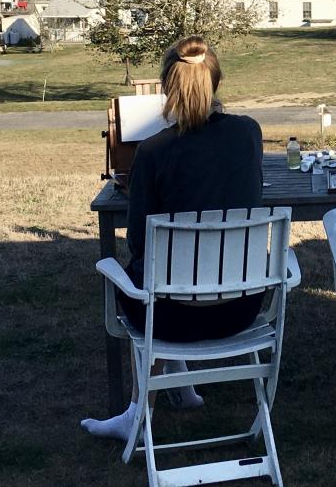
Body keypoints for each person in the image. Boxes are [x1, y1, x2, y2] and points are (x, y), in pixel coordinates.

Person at [82, 35, 265, 438]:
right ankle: (182, 392)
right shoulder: (249, 133)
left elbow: (140, 243)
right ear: (216, 83)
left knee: (140, 278)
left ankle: (136, 414)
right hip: (243, 307)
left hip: (169, 317)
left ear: (167, 89)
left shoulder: (153, 151)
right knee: (166, 280)